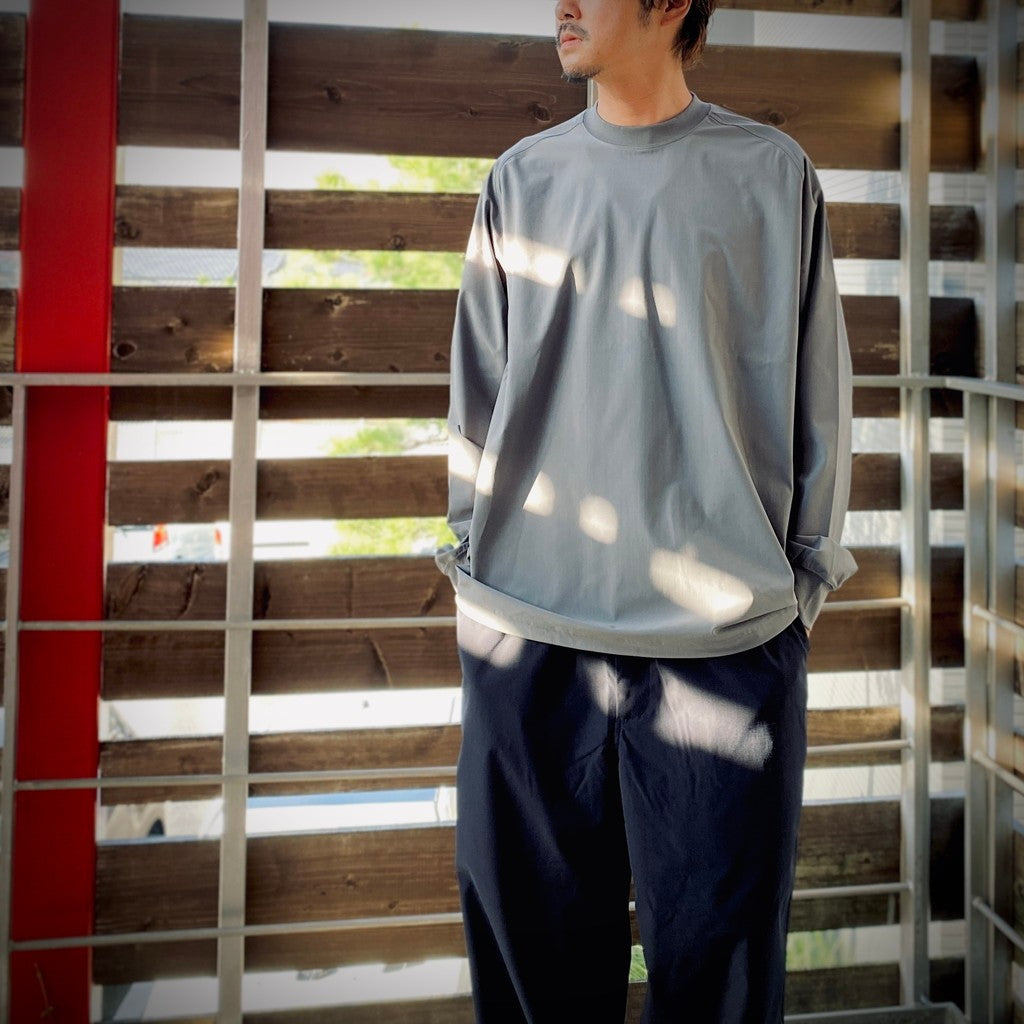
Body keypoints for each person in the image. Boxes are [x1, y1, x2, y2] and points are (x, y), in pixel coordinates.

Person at [435, 0, 858, 1020]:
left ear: (671, 4)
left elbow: (821, 398)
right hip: (528, 637)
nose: (561, 5)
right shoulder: (519, 180)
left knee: (722, 987)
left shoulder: (772, 176)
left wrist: (796, 597)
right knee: (535, 988)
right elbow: (475, 402)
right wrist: (481, 580)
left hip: (726, 649)